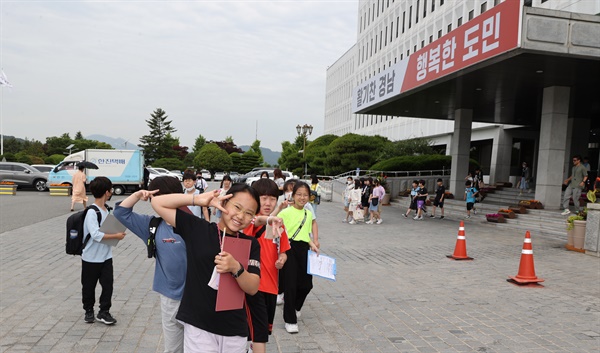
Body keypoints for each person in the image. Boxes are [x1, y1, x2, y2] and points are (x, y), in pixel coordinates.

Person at [150, 184, 261, 353]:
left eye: (249, 213)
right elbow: (158, 202)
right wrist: (197, 199)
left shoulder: (251, 244)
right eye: (237, 207)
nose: (240, 216)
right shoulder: (198, 229)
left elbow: (253, 287)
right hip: (199, 326)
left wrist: (236, 268)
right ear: (224, 203)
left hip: (234, 329)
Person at [113, 176, 187, 353]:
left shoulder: (193, 224)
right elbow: (120, 213)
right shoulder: (152, 225)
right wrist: (138, 195)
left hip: (196, 296)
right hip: (170, 297)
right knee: (173, 349)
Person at [244, 179, 291, 353]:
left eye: (272, 199)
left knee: (262, 330)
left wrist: (282, 260)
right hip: (254, 285)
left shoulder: (280, 225)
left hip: (272, 287)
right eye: (263, 198)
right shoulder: (249, 220)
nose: (268, 203)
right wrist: (270, 218)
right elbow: (258, 222)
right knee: (259, 333)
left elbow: (284, 251)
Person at [81, 176, 126, 325]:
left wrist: (116, 233)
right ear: (107, 192)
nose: (111, 192)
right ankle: (88, 310)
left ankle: (104, 312)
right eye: (111, 189)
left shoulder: (107, 210)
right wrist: (116, 235)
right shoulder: (92, 212)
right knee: (89, 286)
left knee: (108, 286)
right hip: (90, 258)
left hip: (106, 256)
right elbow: (95, 235)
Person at [278, 182, 319, 334]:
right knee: (291, 285)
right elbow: (275, 231)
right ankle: (290, 320)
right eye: (299, 194)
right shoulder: (285, 213)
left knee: (307, 285)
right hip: (288, 249)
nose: (302, 197)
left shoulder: (308, 214)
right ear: (293, 196)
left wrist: (313, 244)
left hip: (304, 249)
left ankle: (295, 307)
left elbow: (305, 234)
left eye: (305, 195)